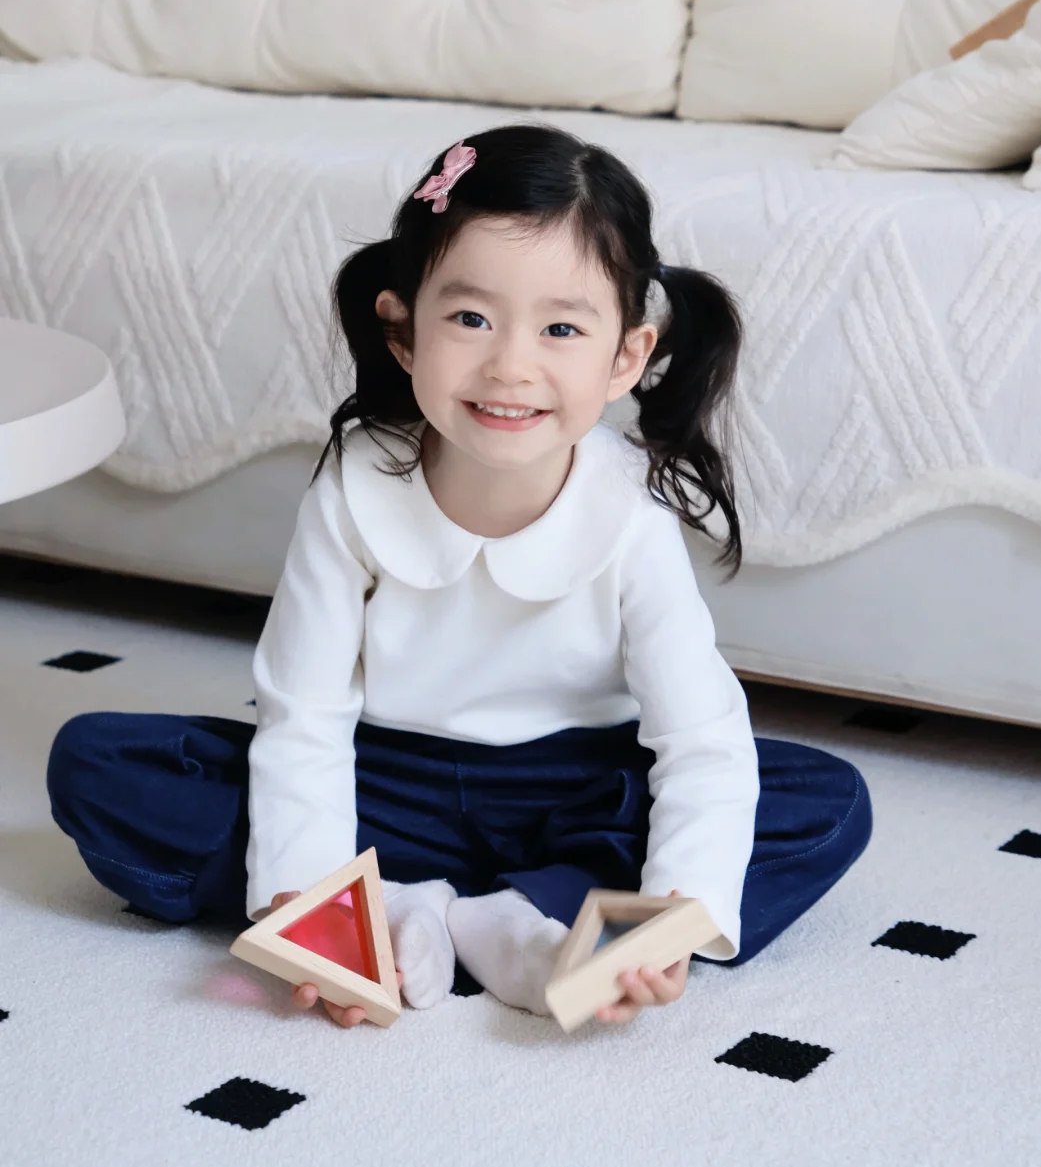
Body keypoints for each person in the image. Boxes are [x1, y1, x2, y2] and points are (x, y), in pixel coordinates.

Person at [47, 124, 872, 1029]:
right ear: (402, 330)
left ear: (626, 358)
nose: (511, 366)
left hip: (575, 792)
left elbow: (700, 737)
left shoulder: (629, 512)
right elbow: (303, 712)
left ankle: (520, 915)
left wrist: (669, 915)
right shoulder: (356, 483)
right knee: (102, 765)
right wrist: (308, 899)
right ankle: (397, 907)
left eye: (562, 329)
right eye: (471, 319)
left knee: (823, 804)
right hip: (384, 785)